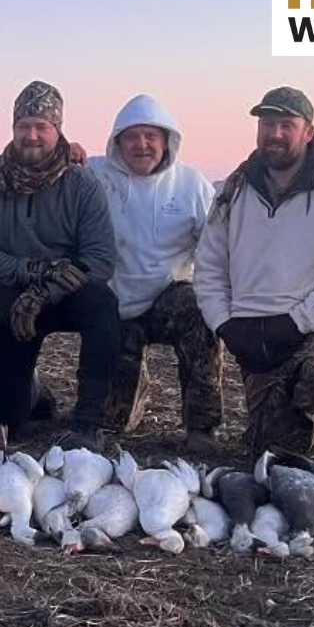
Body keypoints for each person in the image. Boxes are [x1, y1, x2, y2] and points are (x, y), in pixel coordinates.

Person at [194, 87, 314, 458]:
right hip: (253, 329)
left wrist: (296, 322)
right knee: (275, 455)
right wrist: (226, 326)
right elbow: (210, 267)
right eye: (267, 124)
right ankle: (309, 430)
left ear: (308, 132)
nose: (275, 133)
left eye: (286, 124)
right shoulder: (234, 189)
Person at [0, 81, 119, 448]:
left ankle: (88, 423)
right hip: (6, 304)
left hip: (64, 297)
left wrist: (47, 290)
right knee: (7, 428)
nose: (32, 136)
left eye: (41, 127)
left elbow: (100, 259)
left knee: (103, 304)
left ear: (58, 130)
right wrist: (32, 273)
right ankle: (31, 392)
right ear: (12, 128)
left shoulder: (82, 184)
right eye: (23, 126)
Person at [86, 94, 225, 452]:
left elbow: (215, 246)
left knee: (198, 309)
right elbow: (56, 165)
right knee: (116, 426)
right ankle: (131, 395)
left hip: (168, 297)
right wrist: (67, 150)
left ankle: (202, 425)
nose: (141, 145)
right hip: (116, 303)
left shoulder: (191, 185)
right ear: (117, 142)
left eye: (151, 136)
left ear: (167, 140)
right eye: (132, 136)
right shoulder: (95, 175)